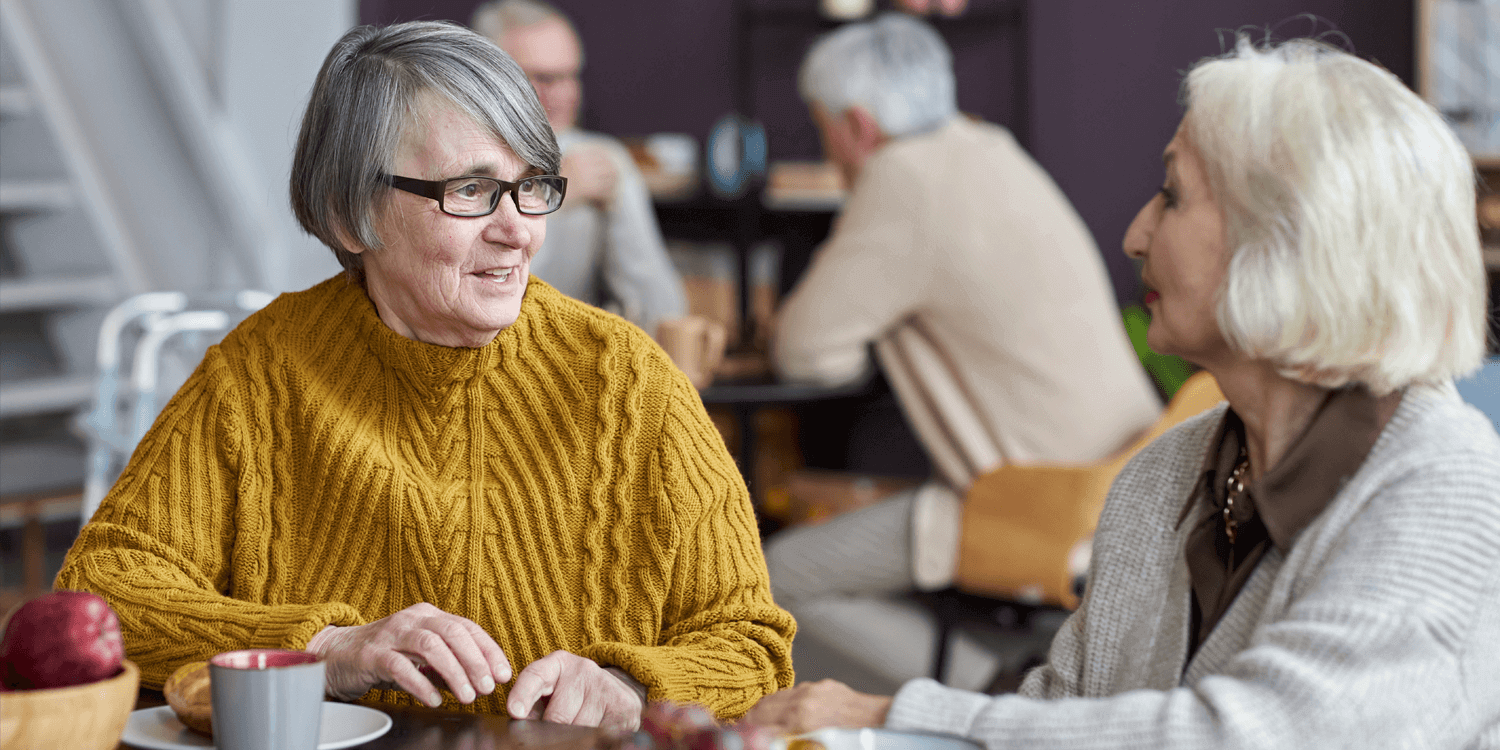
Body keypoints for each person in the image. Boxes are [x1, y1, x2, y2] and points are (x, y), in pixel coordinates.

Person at [746, 36, 1500, 748]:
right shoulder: (1161, 477)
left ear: (1292, 240)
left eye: (1172, 196)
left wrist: (898, 713)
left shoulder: (1443, 483)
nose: (1136, 234)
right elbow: (1065, 714)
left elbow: (1257, 737)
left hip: (1028, 492)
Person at [57, 21, 794, 728]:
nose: (518, 229)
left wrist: (628, 688)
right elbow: (102, 594)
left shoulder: (627, 381)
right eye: (470, 191)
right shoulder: (261, 372)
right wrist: (325, 649)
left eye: (532, 184)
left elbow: (748, 640)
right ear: (351, 215)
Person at [765, 13, 1161, 689]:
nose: (829, 149)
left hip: (1044, 498)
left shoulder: (903, 178)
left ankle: (991, 691)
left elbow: (805, 351)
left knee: (769, 585)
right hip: (1126, 468)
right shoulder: (985, 146)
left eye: (823, 128)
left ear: (856, 126)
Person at [473, 0, 689, 336]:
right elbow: (487, 314)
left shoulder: (598, 158)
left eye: (570, 76)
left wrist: (620, 202)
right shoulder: (458, 161)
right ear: (490, 76)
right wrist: (552, 197)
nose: (564, 94)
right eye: (543, 78)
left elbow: (664, 317)